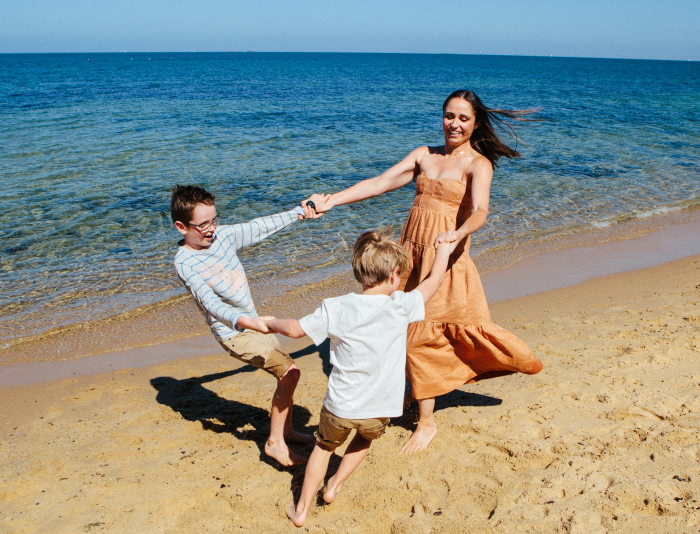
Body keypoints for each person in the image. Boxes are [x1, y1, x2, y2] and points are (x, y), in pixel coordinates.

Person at [308, 90, 544, 454]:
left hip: (444, 257)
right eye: (449, 116)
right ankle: (409, 390)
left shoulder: (478, 164)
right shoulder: (424, 155)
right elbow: (380, 183)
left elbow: (480, 210)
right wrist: (330, 201)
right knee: (398, 326)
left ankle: (427, 421)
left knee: (421, 335)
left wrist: (458, 233)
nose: (455, 123)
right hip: (409, 254)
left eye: (463, 118)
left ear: (476, 123)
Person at [267, 230, 455, 527]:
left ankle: (301, 510)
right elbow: (433, 282)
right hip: (381, 406)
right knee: (363, 440)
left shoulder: (337, 307)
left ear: (359, 272)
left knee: (324, 447)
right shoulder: (401, 305)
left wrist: (268, 323)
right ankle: (335, 486)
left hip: (341, 406)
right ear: (395, 275)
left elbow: (294, 329)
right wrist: (442, 250)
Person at [171, 184, 326, 466]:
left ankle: (287, 431)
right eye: (202, 224)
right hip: (233, 332)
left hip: (254, 324)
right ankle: (275, 443)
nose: (211, 229)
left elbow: (259, 226)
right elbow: (211, 305)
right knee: (290, 372)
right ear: (182, 226)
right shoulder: (185, 262)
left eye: (214, 220)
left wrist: (300, 212)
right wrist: (248, 322)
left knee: (287, 372)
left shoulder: (223, 236)